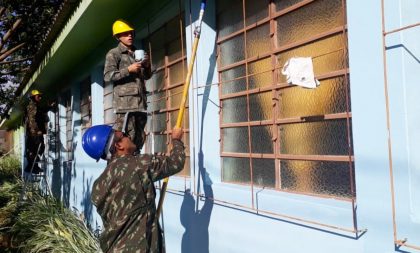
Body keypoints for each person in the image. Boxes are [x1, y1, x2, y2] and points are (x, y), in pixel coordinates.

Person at [82, 124, 185, 253]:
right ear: (118, 145)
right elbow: (176, 162)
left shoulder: (98, 186)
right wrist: (176, 140)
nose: (129, 136)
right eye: (124, 135)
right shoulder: (138, 165)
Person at [103, 19, 152, 152]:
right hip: (125, 106)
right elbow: (108, 76)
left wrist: (147, 66)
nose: (129, 36)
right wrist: (128, 70)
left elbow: (147, 76)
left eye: (131, 33)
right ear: (118, 37)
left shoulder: (137, 53)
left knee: (139, 138)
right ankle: (121, 167)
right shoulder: (114, 54)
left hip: (140, 103)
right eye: (125, 34)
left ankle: (135, 164)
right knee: (125, 139)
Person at [24, 89, 54, 174]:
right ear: (33, 97)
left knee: (35, 150)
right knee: (37, 149)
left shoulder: (35, 106)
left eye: (40, 96)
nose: (40, 98)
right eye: (38, 96)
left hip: (33, 133)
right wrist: (37, 131)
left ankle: (33, 167)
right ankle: (32, 167)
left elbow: (41, 111)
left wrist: (49, 106)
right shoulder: (32, 106)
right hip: (34, 133)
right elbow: (32, 120)